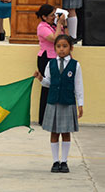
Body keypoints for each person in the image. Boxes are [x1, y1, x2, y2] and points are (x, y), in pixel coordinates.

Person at [34, 35, 84, 173]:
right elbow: (48, 83)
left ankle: (64, 161)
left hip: (68, 102)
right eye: (58, 46)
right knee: (54, 132)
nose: (61, 49)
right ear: (55, 48)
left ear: (71, 48)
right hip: (53, 102)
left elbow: (78, 86)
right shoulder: (51, 64)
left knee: (66, 132)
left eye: (65, 46)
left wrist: (80, 104)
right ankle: (55, 161)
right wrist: (40, 78)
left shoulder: (75, 65)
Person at [36, 4, 69, 125]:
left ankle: (55, 117)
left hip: (56, 58)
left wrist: (63, 24)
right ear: (44, 17)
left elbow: (67, 38)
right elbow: (55, 39)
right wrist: (60, 24)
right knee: (47, 87)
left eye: (54, 14)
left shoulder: (55, 26)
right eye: (51, 15)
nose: (54, 17)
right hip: (46, 59)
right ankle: (43, 118)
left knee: (58, 87)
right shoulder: (42, 27)